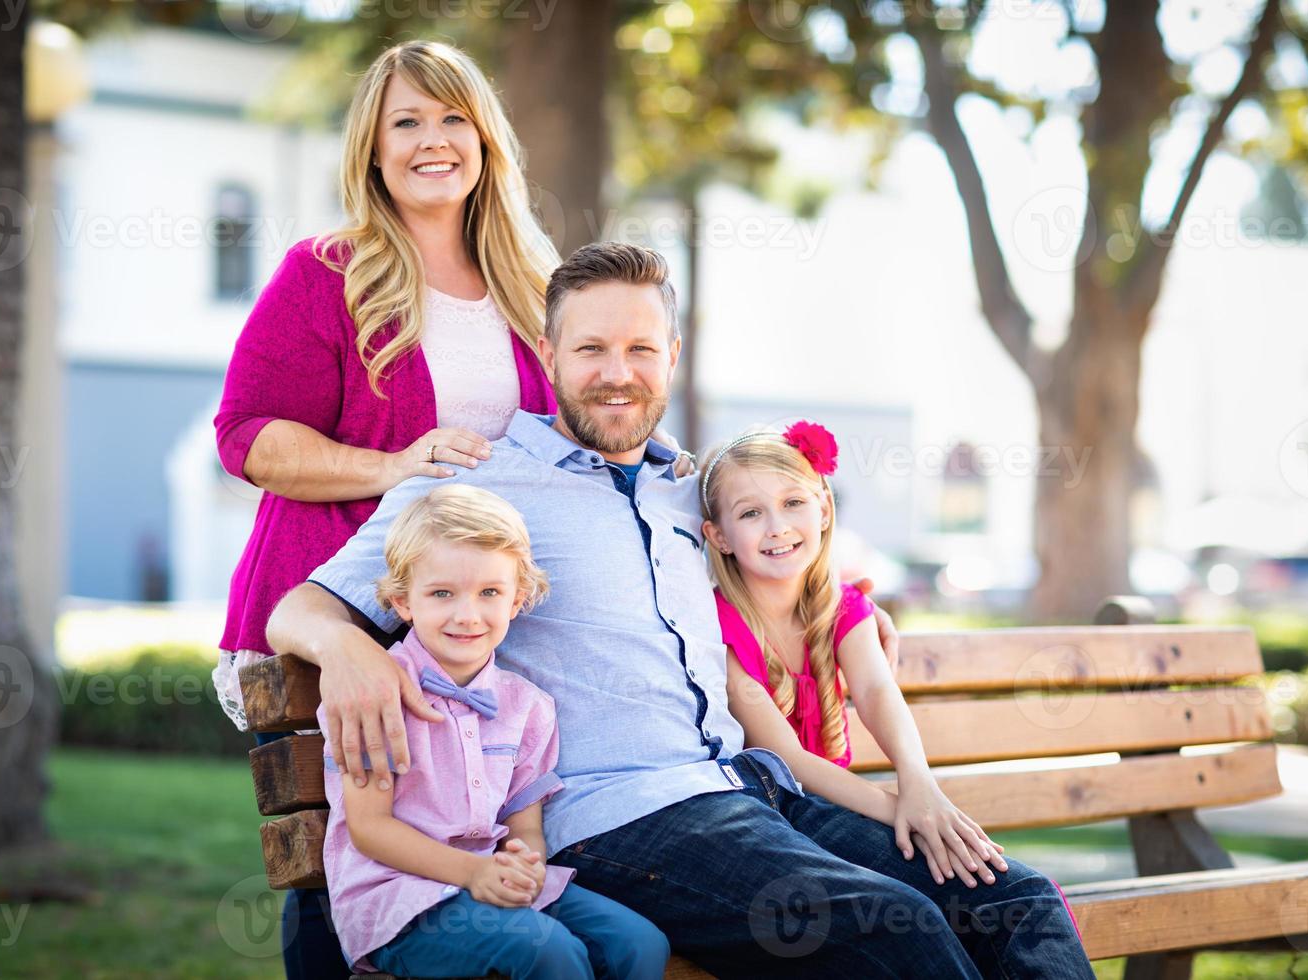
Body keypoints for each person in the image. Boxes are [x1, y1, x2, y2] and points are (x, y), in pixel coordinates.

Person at [267, 241, 1094, 978]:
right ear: (548, 352)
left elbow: (784, 548)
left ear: (672, 356)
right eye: (590, 349)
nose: (615, 372)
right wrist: (347, 651)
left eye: (638, 349)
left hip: (754, 786)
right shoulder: (473, 483)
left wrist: (847, 611)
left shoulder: (687, 489)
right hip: (617, 820)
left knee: (1012, 898)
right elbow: (297, 611)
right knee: (894, 929)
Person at [212, 40, 559, 977]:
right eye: (407, 121)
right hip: (330, 613)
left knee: (463, 858)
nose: (432, 140)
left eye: (453, 119)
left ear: (487, 140)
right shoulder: (328, 271)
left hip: (465, 624)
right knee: (344, 869)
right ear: (372, 148)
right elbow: (249, 435)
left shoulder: (532, 289)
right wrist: (397, 464)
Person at [319, 483, 668, 978]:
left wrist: (523, 862)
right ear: (402, 601)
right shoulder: (374, 695)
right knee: (548, 953)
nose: (468, 615)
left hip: (489, 878)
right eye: (442, 593)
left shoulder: (526, 706)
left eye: (489, 593)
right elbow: (370, 828)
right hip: (399, 899)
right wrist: (475, 873)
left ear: (517, 599)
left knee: (638, 944)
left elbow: (523, 824)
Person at [700, 421, 1008, 886]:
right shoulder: (718, 629)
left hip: (845, 812)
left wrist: (919, 783)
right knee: (942, 896)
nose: (777, 527)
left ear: (823, 508)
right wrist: (905, 808)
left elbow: (875, 689)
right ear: (718, 536)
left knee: (1017, 894)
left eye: (793, 503)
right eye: (750, 514)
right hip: (776, 825)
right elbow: (788, 761)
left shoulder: (843, 609)